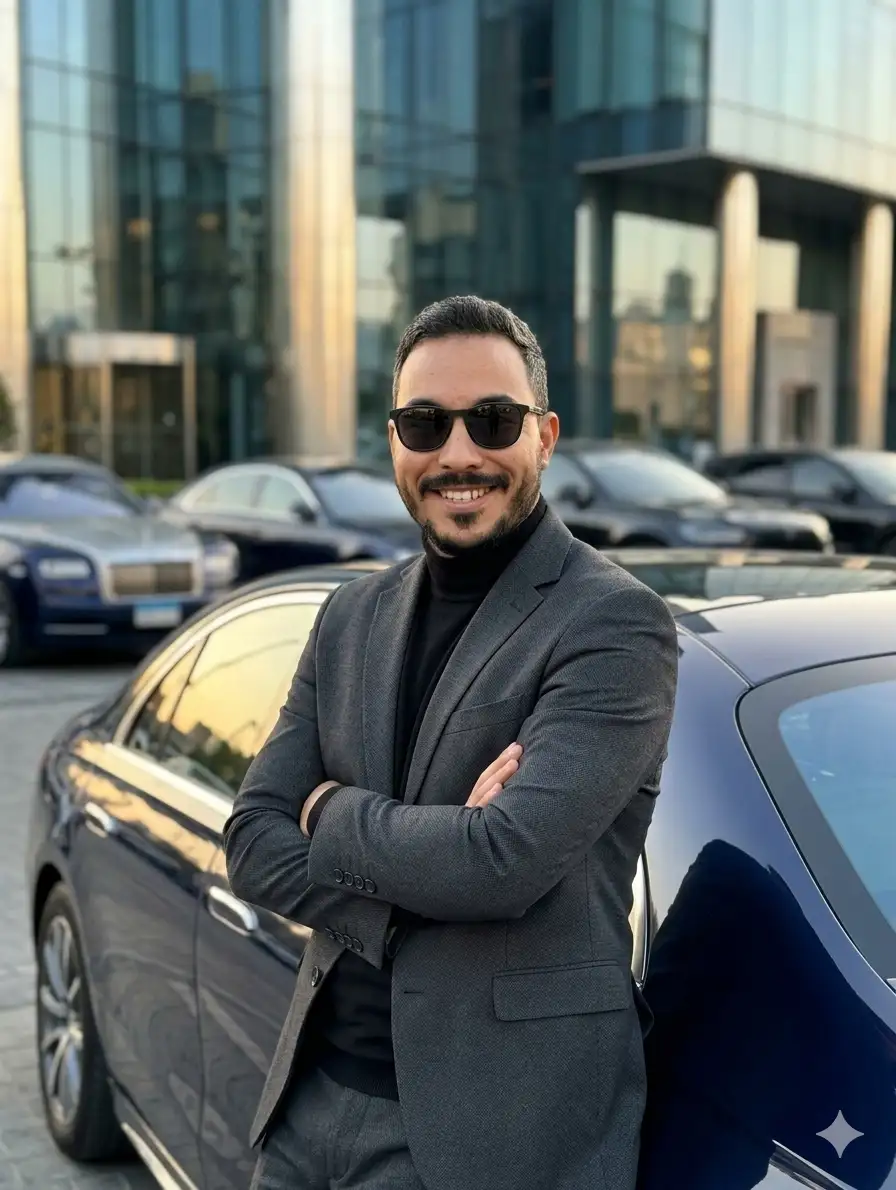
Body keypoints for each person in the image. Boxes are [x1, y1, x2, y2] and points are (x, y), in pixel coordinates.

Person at [223, 295, 679, 1190]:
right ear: (394, 442)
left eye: (493, 420)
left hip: (493, 1135)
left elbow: (500, 861)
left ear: (543, 436)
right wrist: (423, 875)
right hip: (305, 1109)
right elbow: (251, 842)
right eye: (425, 423)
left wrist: (329, 810)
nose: (458, 453)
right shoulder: (349, 615)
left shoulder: (615, 623)